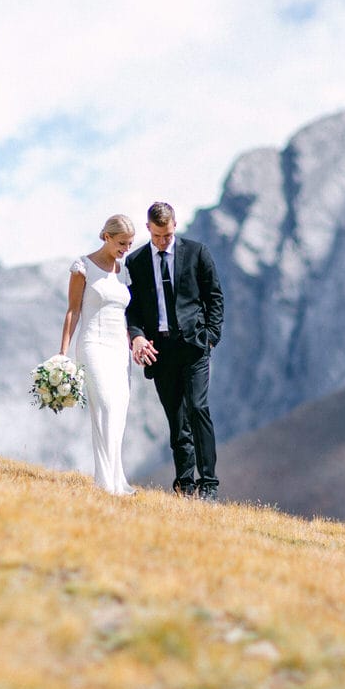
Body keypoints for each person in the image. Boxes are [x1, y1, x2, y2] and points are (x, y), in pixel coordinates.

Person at [125, 202, 224, 500]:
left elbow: (214, 296)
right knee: (176, 419)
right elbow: (132, 309)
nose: (162, 241)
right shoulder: (136, 262)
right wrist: (137, 337)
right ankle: (185, 484)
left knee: (198, 409)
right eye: (157, 236)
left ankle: (208, 485)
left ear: (175, 226)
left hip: (194, 346)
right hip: (160, 351)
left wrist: (210, 337)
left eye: (167, 235)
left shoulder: (197, 252)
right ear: (148, 229)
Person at [59, 215, 137, 495]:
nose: (125, 249)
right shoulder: (83, 267)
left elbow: (127, 313)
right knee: (104, 405)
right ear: (107, 237)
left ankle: (116, 479)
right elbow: (73, 310)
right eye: (121, 243)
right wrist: (62, 354)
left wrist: (134, 342)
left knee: (119, 410)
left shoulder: (124, 271)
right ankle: (106, 482)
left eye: (129, 244)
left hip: (119, 349)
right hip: (93, 344)